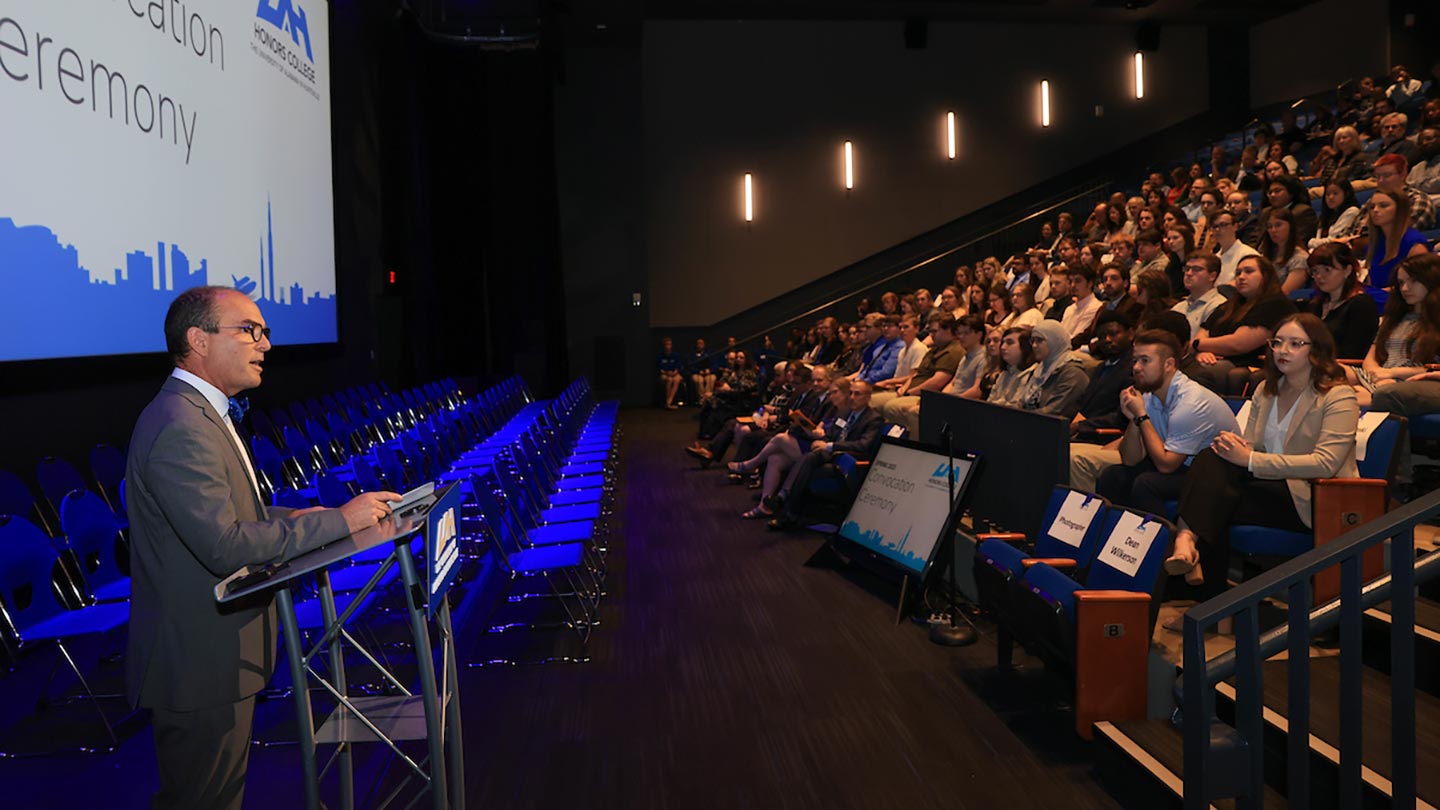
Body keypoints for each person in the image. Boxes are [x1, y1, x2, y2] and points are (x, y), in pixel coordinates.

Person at [126, 287, 398, 810]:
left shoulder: (203, 415)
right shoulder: (181, 425)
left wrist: (297, 517)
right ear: (197, 340)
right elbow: (225, 545)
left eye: (265, 332)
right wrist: (340, 522)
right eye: (249, 330)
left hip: (216, 658)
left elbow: (229, 519)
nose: (265, 344)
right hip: (200, 665)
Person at [1164, 314, 1359, 597]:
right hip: (1266, 484)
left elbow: (1325, 463)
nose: (1282, 350)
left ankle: (1192, 558)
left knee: (1217, 498)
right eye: (1277, 342)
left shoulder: (1337, 396)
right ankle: (1194, 562)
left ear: (1315, 349)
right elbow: (1251, 445)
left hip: (1312, 496)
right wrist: (1238, 449)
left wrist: (1249, 459)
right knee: (1214, 457)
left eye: (1295, 344)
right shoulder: (1266, 391)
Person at [1074, 329, 1239, 513]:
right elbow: (1129, 460)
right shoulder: (1150, 394)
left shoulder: (1191, 403)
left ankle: (1161, 540)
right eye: (1135, 360)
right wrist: (1134, 420)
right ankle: (1112, 537)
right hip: (1183, 467)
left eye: (1145, 361)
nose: (1136, 367)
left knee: (1146, 484)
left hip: (1218, 476)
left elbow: (1166, 465)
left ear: (1168, 364)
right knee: (1113, 475)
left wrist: (1142, 416)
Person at [765, 381, 884, 531]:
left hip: (846, 461)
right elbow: (831, 435)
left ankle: (786, 507)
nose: (852, 397)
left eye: (857, 394)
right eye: (851, 393)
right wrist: (822, 442)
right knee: (807, 457)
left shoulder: (873, 418)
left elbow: (863, 445)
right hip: (829, 454)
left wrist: (829, 446)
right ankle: (787, 508)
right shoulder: (844, 413)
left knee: (807, 462)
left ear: (867, 397)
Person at [1190, 255, 1298, 395]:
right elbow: (1204, 330)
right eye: (1238, 273)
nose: (1241, 277)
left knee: (1199, 373)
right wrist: (1203, 352)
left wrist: (1198, 345)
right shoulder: (1230, 305)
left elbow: (1239, 344)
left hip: (1247, 363)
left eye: (1249, 271)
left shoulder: (1275, 304)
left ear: (1265, 276)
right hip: (1214, 360)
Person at [1349, 255, 1440, 409]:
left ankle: (1358, 399)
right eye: (1401, 282)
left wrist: (1392, 373)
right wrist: (1377, 374)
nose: (1405, 288)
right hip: (1381, 376)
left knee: (1386, 392)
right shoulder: (1395, 318)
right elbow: (1370, 357)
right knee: (1329, 372)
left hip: (1417, 380)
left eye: (1413, 281)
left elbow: (1431, 369)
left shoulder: (1436, 321)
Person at [1298, 242, 1379, 360]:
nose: (1319, 276)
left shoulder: (1361, 304)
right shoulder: (1316, 304)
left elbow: (1354, 353)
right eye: (1315, 271)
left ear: (1347, 270)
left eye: (1327, 270)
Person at [1070, 310, 1135, 442]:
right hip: (1083, 432)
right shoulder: (1100, 368)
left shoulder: (1134, 369)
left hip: (1105, 437)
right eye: (1102, 336)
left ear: (1130, 334)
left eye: (1113, 334)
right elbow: (1084, 406)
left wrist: (1080, 426)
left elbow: (1120, 417)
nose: (1107, 340)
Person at [1364, 189, 1431, 302]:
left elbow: (1421, 287)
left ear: (1400, 210)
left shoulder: (1414, 243)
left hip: (1404, 301)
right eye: (1372, 207)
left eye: (1383, 206)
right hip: (1380, 300)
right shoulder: (1375, 243)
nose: (1375, 210)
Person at [1172, 252, 1226, 340]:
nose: (1189, 273)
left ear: (1212, 276)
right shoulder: (1178, 307)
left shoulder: (1219, 306)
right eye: (1187, 268)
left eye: (1196, 269)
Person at [1258, 208, 1310, 295]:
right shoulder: (1267, 254)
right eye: (1269, 227)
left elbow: (1284, 293)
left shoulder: (1300, 258)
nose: (1273, 230)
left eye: (1278, 225)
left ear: (1291, 227)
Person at [986, 326, 1037, 408]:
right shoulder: (1004, 373)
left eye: (1009, 343)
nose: (1002, 347)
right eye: (1003, 342)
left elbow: (1016, 407)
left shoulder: (1032, 374)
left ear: (1024, 347)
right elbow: (990, 401)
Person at [1310, 180, 1364, 249]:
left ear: (1346, 194)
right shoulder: (1326, 215)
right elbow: (1318, 239)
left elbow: (1334, 240)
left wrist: (1312, 242)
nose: (1331, 197)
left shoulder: (1352, 211)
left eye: (1335, 193)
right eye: (1328, 194)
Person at [1213, 210, 1261, 287]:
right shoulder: (1215, 257)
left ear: (1235, 226)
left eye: (1223, 225)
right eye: (1215, 226)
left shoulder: (1248, 255)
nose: (1218, 230)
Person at [1060, 264, 1104, 348]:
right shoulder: (1069, 309)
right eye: (1070, 281)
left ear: (1090, 283)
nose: (1073, 285)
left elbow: (1077, 338)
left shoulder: (1095, 307)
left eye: (1078, 281)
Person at [657, 337, 683, 408]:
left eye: (669, 344)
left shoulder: (676, 355)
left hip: (675, 373)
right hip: (665, 374)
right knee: (669, 380)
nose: (668, 346)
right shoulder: (660, 356)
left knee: (676, 380)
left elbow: (678, 367)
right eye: (666, 344)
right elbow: (660, 369)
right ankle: (668, 403)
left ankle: (669, 402)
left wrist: (675, 372)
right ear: (664, 346)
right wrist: (666, 372)